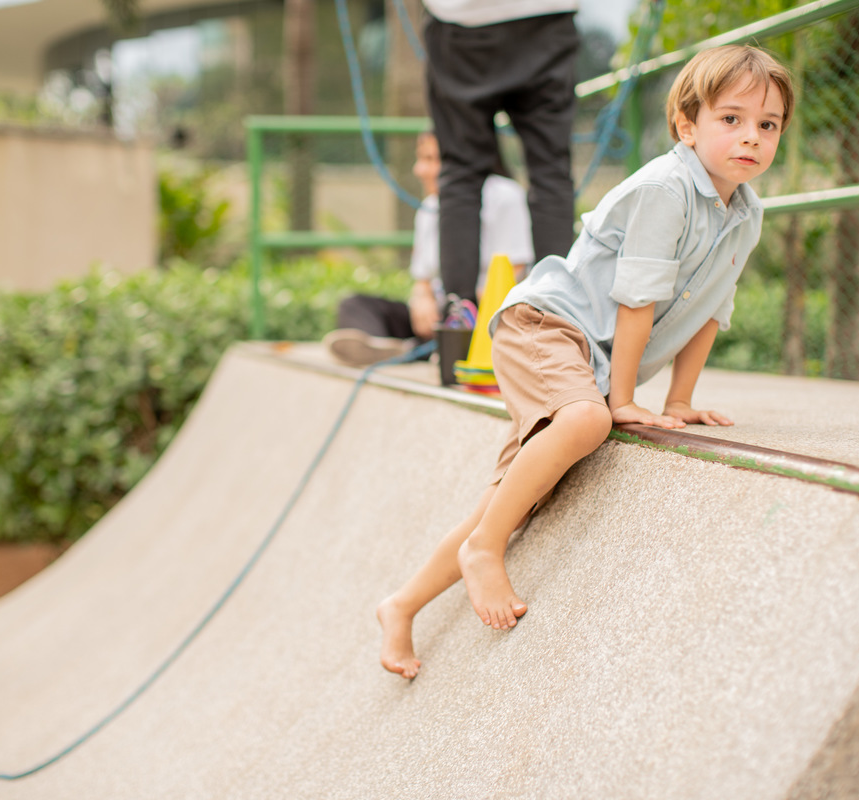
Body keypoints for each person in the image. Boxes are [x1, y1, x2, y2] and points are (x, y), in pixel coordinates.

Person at [377, 45, 795, 679]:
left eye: (768, 125)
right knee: (586, 423)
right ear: (687, 125)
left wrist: (679, 400)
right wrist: (621, 401)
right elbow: (636, 300)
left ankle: (401, 604)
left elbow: (711, 310)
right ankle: (484, 552)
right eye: (731, 119)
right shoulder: (667, 188)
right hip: (545, 327)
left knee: (511, 495)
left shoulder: (746, 213)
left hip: (588, 361)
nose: (751, 138)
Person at [324, 131, 533, 367]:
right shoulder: (428, 208)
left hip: (477, 314)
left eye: (431, 159)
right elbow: (422, 279)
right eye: (421, 159)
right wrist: (422, 299)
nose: (419, 170)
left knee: (458, 311)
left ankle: (418, 350)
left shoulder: (504, 195)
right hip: (437, 314)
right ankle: (394, 349)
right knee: (354, 304)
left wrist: (462, 308)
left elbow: (514, 272)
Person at [423, 0, 580, 306]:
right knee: (551, 171)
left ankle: (459, 321)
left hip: (460, 20)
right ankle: (558, 317)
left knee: (461, 173)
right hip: (546, 17)